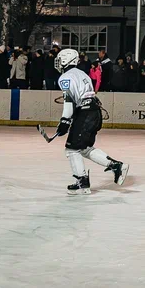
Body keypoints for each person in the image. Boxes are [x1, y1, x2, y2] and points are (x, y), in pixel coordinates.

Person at [51, 48, 129, 194]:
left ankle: (82, 181)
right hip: (93, 112)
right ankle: (114, 166)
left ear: (66, 60)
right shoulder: (81, 73)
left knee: (72, 149)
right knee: (84, 148)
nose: (58, 61)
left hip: (86, 113)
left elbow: (69, 102)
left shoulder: (65, 77)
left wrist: (64, 121)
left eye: (60, 58)